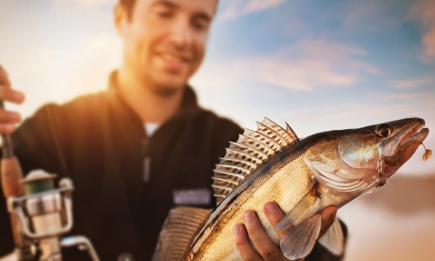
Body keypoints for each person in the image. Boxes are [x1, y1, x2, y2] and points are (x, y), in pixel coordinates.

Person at [0, 0, 343, 260]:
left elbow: (332, 249)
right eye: (164, 11)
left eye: (199, 22)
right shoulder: (50, 129)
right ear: (123, 18)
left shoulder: (226, 140)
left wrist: (310, 234)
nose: (182, 37)